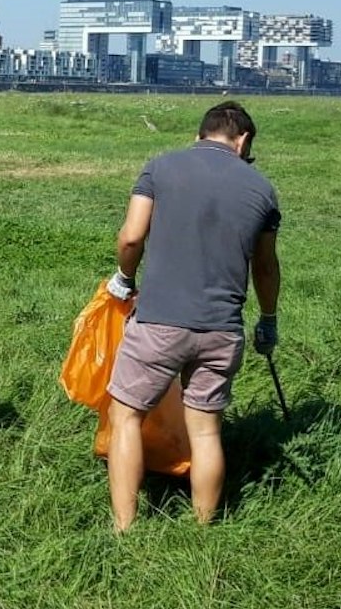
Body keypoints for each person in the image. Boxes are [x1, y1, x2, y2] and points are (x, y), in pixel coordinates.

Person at [106, 100, 281, 531]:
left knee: (126, 416)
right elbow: (265, 267)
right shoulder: (262, 189)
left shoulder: (160, 168)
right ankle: (204, 530)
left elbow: (131, 237)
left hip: (159, 323)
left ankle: (125, 529)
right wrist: (269, 319)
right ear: (242, 141)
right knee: (205, 432)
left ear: (200, 134)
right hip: (222, 331)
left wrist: (124, 278)